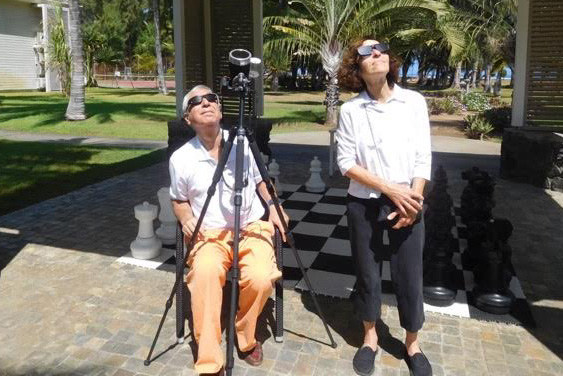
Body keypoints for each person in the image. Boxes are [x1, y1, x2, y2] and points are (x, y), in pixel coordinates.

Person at [169, 84, 287, 375]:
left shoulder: (243, 145)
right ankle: (209, 360)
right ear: (188, 118)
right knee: (206, 274)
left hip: (249, 227)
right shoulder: (180, 158)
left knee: (261, 278)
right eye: (197, 101)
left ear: (220, 110)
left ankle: (245, 336)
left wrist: (273, 206)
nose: (206, 103)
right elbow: (179, 199)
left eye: (212, 99)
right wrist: (184, 217)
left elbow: (262, 181)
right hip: (209, 235)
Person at [336, 38, 432, 376]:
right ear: (357, 68)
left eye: (382, 49)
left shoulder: (413, 102)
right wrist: (390, 188)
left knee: (409, 275)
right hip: (363, 203)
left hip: (409, 202)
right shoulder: (351, 110)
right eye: (366, 52)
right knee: (367, 273)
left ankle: (412, 343)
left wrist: (412, 199)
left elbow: (423, 156)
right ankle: (370, 338)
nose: (377, 54)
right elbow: (345, 162)